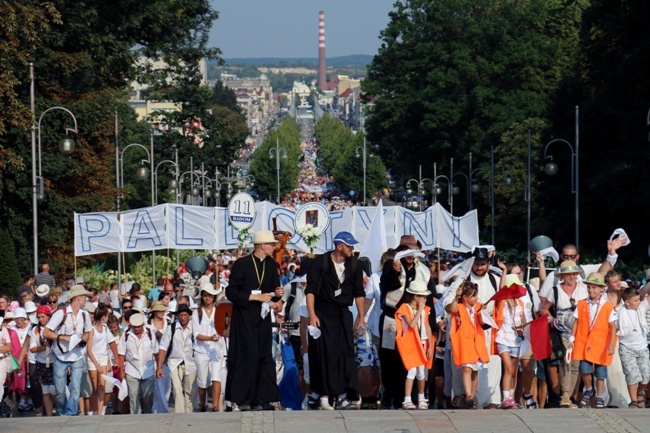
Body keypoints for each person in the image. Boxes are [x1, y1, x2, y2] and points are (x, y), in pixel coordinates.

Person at [306, 231, 365, 410]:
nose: (352, 249)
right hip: (322, 312)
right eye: (349, 246)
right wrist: (312, 315)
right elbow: (311, 290)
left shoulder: (355, 265)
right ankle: (324, 396)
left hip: (342, 314)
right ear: (340, 246)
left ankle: (343, 396)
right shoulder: (321, 262)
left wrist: (361, 317)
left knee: (345, 354)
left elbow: (359, 293)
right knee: (325, 354)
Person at [226, 230, 284, 411]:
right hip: (244, 317)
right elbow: (231, 292)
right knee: (248, 356)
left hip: (263, 317)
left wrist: (278, 296)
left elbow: (273, 292)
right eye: (272, 244)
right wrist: (254, 297)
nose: (275, 247)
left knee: (265, 356)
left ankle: (263, 399)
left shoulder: (271, 264)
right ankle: (244, 400)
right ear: (261, 245)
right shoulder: (242, 264)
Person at [538, 261, 587, 408]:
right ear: (562, 276)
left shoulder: (584, 288)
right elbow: (544, 308)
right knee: (567, 359)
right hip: (563, 330)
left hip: (580, 329)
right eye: (568, 274)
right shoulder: (555, 290)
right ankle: (565, 394)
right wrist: (551, 320)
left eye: (574, 274)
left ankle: (570, 396)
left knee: (576, 363)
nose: (572, 277)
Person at [568, 273, 617, 409]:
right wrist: (572, 338)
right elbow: (576, 321)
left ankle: (599, 396)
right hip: (584, 342)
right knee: (584, 369)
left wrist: (611, 344)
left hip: (601, 344)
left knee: (600, 372)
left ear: (601, 289)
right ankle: (589, 389)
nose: (591, 290)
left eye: (594, 288)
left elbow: (613, 326)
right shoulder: (582, 303)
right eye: (589, 287)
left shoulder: (607, 306)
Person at [42, 285, 93, 416]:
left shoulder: (84, 314)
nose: (86, 299)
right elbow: (46, 332)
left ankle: (70, 413)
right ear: (79, 298)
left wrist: (81, 341)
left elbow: (88, 332)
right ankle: (63, 411)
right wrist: (62, 337)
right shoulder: (61, 313)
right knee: (59, 390)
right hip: (61, 355)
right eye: (85, 297)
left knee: (76, 388)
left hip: (77, 355)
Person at [447, 281, 489, 410]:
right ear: (465, 297)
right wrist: (456, 296)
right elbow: (450, 309)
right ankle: (469, 396)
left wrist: (483, 313)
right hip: (464, 342)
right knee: (467, 369)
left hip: (477, 342)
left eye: (476, 295)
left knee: (475, 371)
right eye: (473, 296)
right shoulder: (459, 307)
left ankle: (472, 396)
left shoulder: (478, 306)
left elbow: (485, 322)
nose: (476, 298)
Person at [395, 280, 434, 410]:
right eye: (423, 296)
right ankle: (407, 399)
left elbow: (427, 326)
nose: (425, 299)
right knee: (411, 371)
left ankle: (421, 397)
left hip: (423, 343)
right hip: (411, 344)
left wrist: (429, 345)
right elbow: (412, 324)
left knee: (421, 373)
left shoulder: (425, 310)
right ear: (415, 296)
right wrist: (420, 310)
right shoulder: (404, 308)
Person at [156, 304, 196, 414]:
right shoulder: (171, 328)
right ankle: (180, 415)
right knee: (177, 389)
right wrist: (159, 367)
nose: (183, 318)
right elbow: (163, 347)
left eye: (185, 315)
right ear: (177, 316)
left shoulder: (194, 328)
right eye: (181, 315)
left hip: (191, 362)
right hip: (174, 362)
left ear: (189, 316)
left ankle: (189, 414)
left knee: (189, 391)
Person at [192, 282, 225, 412]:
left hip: (216, 348)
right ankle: (202, 403)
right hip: (201, 350)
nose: (207, 298)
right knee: (202, 379)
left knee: (216, 376)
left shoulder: (219, 311)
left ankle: (216, 405)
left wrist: (220, 336)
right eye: (205, 295)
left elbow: (225, 329)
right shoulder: (197, 313)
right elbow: (196, 334)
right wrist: (210, 338)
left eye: (210, 296)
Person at [617, 287, 650, 408]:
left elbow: (647, 295)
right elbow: (612, 328)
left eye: (639, 300)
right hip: (626, 348)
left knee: (646, 376)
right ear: (627, 302)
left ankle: (639, 391)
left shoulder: (641, 307)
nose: (638, 302)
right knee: (631, 375)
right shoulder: (619, 312)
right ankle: (634, 401)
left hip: (642, 347)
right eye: (635, 300)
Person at [117, 313, 156, 414]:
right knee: (133, 396)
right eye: (134, 327)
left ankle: (147, 415)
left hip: (148, 369)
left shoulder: (150, 333)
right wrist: (121, 371)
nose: (137, 329)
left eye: (139, 326)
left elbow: (156, 351)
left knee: (148, 396)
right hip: (132, 369)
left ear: (143, 324)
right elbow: (121, 354)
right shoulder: (126, 334)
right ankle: (135, 418)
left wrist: (158, 367)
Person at [86, 304, 118, 416]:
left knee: (101, 386)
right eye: (107, 316)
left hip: (103, 358)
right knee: (94, 388)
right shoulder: (91, 330)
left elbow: (109, 344)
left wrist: (110, 360)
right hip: (92, 359)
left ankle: (100, 413)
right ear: (103, 317)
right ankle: (93, 411)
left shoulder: (105, 328)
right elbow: (88, 350)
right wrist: (96, 364)